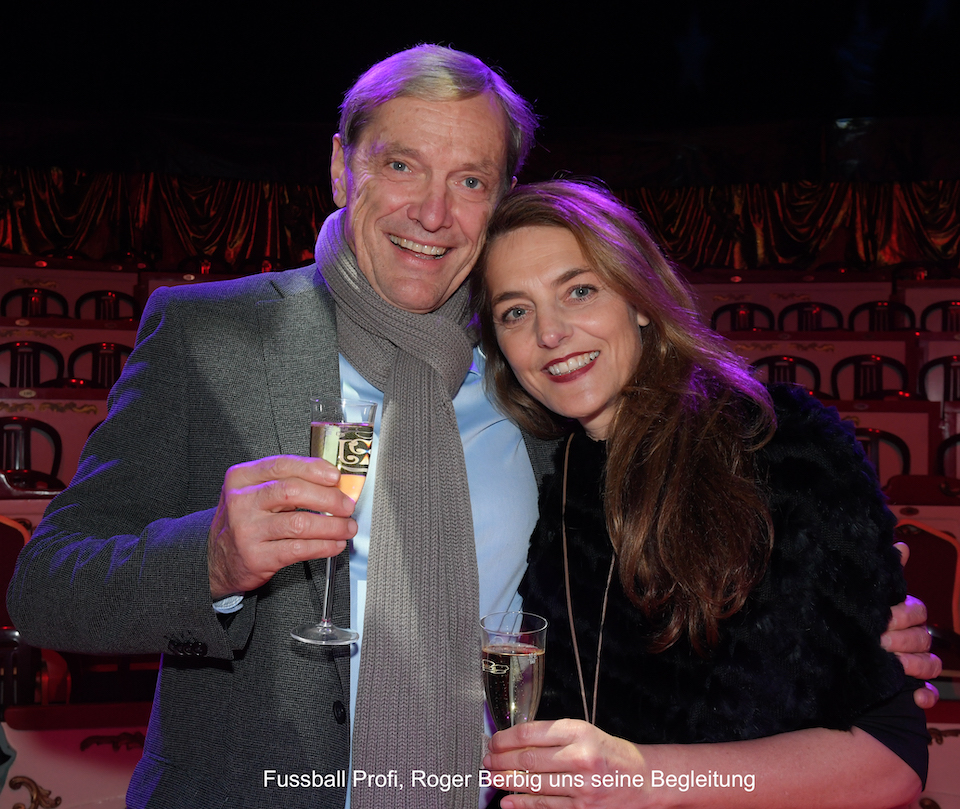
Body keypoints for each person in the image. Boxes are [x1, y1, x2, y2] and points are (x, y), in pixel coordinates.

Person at [6, 48, 936, 809]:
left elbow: (646, 579)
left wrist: (844, 633)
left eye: (470, 179)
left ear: (499, 198)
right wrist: (207, 560)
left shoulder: (534, 386)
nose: (432, 211)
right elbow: (44, 588)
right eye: (400, 165)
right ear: (340, 166)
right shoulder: (208, 334)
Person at [474, 179, 931, 808]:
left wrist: (644, 777)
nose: (549, 332)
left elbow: (892, 761)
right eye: (515, 312)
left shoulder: (778, 449)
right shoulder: (554, 470)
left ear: (639, 299)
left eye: (579, 291)